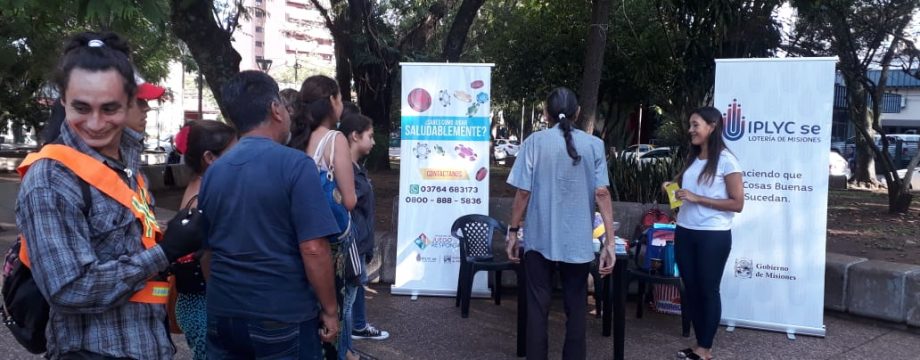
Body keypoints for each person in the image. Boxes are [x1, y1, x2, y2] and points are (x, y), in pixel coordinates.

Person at [15, 31, 204, 359]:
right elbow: (68, 289)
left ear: (128, 99)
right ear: (63, 99)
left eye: (110, 108)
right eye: (81, 107)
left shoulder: (129, 169)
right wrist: (165, 252)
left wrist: (179, 243)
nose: (96, 123)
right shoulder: (51, 177)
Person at [198, 70, 340, 359]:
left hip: (223, 314)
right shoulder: (296, 166)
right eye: (286, 108)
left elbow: (207, 250)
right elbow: (314, 249)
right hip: (281, 315)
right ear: (276, 109)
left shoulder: (214, 172)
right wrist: (330, 310)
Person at [505, 87, 617, 360]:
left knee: (537, 308)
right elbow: (602, 193)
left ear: (545, 114)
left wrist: (513, 231)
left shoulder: (534, 142)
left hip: (539, 241)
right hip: (577, 242)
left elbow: (523, 192)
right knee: (577, 308)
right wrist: (609, 242)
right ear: (578, 113)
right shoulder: (595, 145)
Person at [664, 107, 744, 360]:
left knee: (708, 290)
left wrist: (698, 198)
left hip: (713, 235)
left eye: (695, 124)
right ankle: (700, 344)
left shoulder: (727, 161)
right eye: (690, 125)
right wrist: (672, 190)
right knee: (692, 289)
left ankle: (705, 349)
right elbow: (681, 199)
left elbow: (737, 203)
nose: (691, 130)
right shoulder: (693, 159)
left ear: (712, 126)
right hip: (685, 232)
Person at [290, 75, 359, 360]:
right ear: (331, 101)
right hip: (329, 244)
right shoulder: (335, 139)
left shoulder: (294, 139)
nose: (341, 104)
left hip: (297, 238)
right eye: (340, 98)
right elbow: (351, 200)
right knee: (333, 310)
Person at [172, 120, 237, 360]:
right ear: (210, 157)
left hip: (195, 302)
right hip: (205, 305)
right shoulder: (205, 197)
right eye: (233, 153)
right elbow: (208, 257)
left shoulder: (198, 187)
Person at [339, 112, 389, 341]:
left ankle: (355, 333)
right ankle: (347, 349)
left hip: (359, 244)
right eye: (370, 136)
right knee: (345, 305)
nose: (374, 141)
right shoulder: (345, 170)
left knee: (353, 293)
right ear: (355, 136)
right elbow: (342, 206)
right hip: (352, 246)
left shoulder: (355, 167)